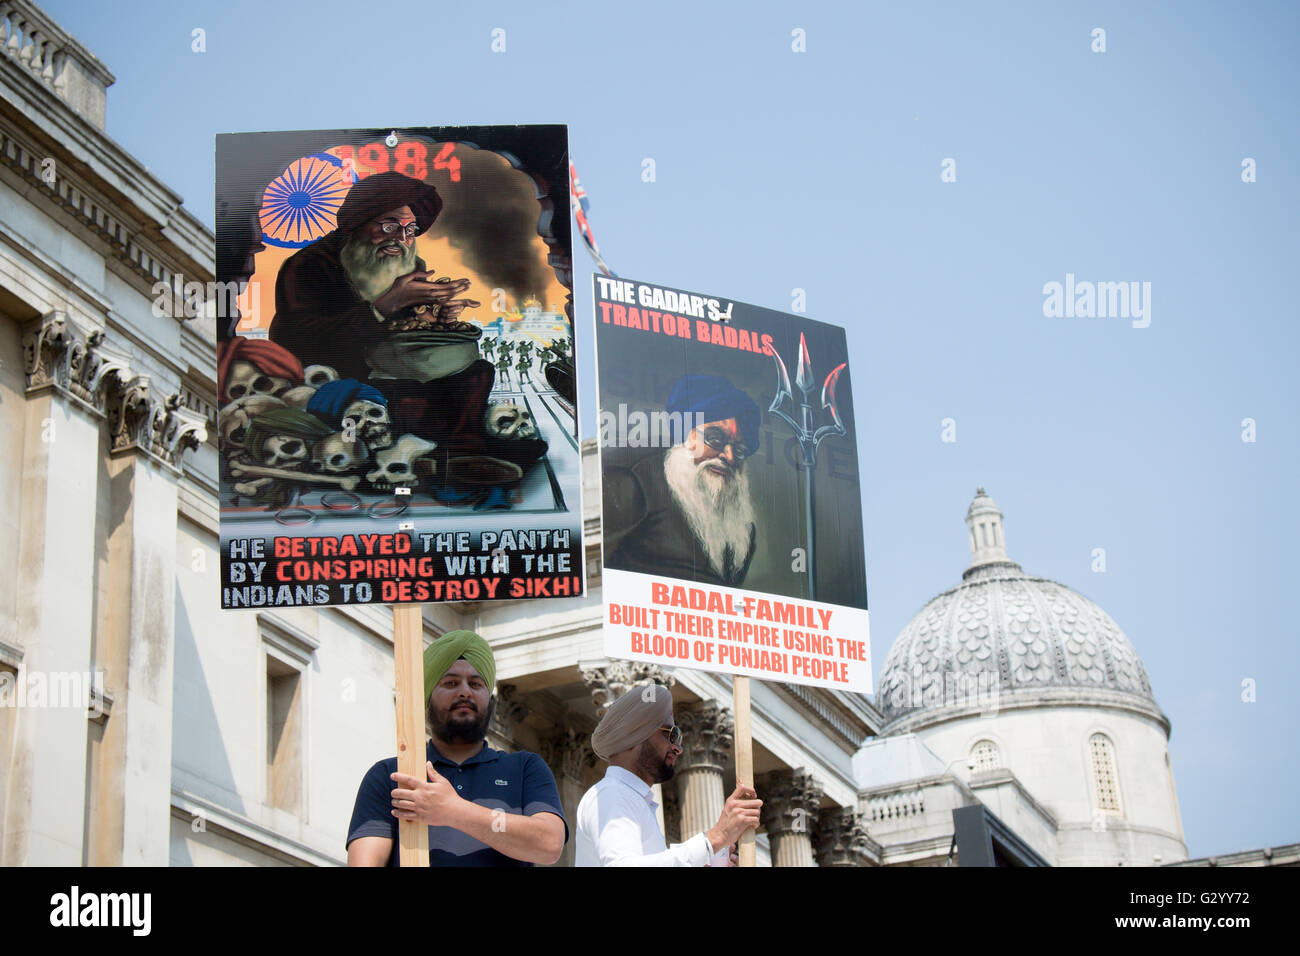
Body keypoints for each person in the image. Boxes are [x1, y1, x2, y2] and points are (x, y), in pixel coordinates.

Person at [346, 630, 567, 866]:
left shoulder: (524, 768)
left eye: (475, 683)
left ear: (490, 701)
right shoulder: (391, 776)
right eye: (450, 683)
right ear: (427, 698)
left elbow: (549, 844)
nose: (464, 691)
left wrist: (454, 811)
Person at [269, 170, 477, 383]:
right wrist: (383, 307)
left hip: (393, 358)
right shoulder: (310, 264)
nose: (401, 238)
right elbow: (301, 337)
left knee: (475, 369)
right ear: (359, 223)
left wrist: (438, 317)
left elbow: (411, 324)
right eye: (390, 227)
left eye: (411, 229)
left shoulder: (411, 265)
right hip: (331, 371)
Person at [575, 684, 761, 866]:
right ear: (634, 736)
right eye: (670, 734)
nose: (678, 748)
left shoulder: (631, 798)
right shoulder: (612, 793)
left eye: (678, 737)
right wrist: (715, 838)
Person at [604, 374, 761, 587]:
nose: (729, 457)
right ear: (684, 434)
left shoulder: (741, 526)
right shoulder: (634, 479)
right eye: (715, 438)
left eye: (740, 449)